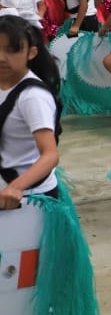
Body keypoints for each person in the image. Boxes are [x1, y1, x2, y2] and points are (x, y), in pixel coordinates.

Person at [0, 16, 62, 205]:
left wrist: (16, 187)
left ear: (31, 52)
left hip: (28, 198)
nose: (2, 58)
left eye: (13, 50)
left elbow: (50, 155)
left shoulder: (33, 97)